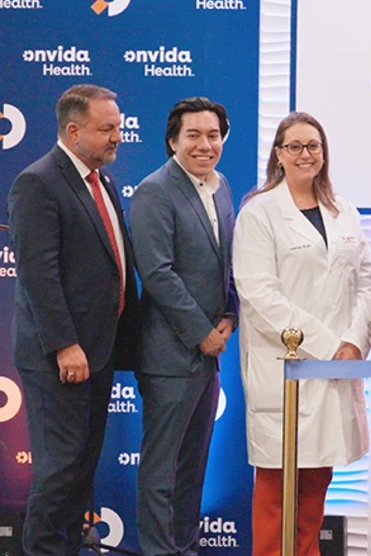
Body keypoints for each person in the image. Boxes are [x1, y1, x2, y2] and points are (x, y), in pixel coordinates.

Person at [233, 111, 371, 556]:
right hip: (286, 370)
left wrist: (353, 342)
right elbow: (259, 294)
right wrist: (327, 345)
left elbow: (367, 283)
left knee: (316, 488)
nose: (304, 154)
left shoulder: (344, 212)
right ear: (278, 154)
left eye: (313, 145)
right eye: (294, 146)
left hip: (336, 370)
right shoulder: (259, 213)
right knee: (278, 493)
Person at [7, 83, 140, 554]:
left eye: (118, 127)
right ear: (73, 130)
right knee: (60, 469)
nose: (117, 137)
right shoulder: (38, 182)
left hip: (98, 352)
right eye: (107, 129)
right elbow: (39, 276)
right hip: (62, 358)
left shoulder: (101, 180)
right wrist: (65, 344)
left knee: (81, 469)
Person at [129, 97, 238, 556]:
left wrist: (230, 315)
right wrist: (202, 332)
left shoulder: (221, 186)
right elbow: (157, 273)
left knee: (193, 469)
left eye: (212, 135)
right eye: (193, 135)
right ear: (173, 140)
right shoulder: (156, 190)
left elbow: (228, 262)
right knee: (161, 472)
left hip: (208, 354)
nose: (204, 144)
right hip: (170, 356)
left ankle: (186, 549)